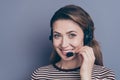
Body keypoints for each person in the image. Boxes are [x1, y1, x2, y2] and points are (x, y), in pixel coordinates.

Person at [31, 4, 115, 80]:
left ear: (86, 37)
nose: (63, 44)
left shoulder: (104, 75)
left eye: (72, 35)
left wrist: (86, 76)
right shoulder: (39, 75)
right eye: (57, 35)